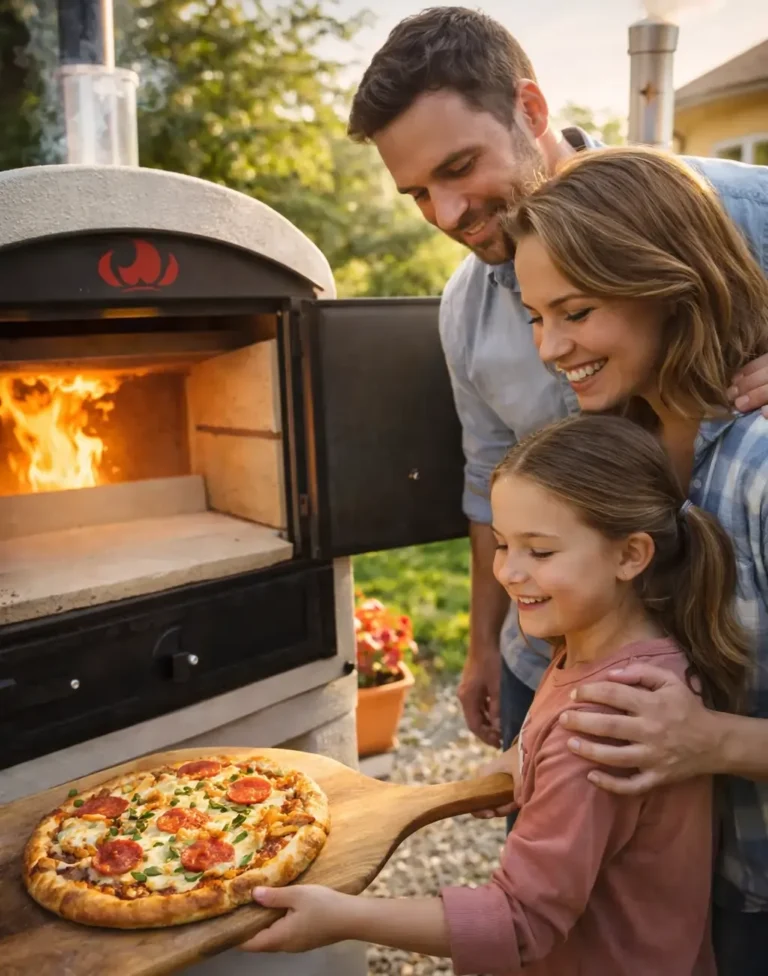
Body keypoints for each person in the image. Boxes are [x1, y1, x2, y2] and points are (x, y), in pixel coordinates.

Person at [346, 5, 768, 773]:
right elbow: (490, 482)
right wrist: (482, 647)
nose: (446, 216)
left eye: (457, 168)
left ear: (530, 110)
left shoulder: (731, 210)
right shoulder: (463, 309)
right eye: (415, 194)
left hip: (718, 695)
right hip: (550, 663)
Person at [241, 414, 750, 975]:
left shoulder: (603, 722)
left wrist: (340, 918)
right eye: (504, 544)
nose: (508, 571)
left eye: (541, 551)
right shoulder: (620, 652)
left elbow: (516, 922)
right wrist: (527, 764)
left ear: (630, 556)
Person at [504, 145, 768, 973]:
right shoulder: (628, 444)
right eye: (535, 315)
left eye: (575, 311)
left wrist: (713, 742)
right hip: (697, 882)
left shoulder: (761, 462)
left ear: (671, 285)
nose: (550, 347)